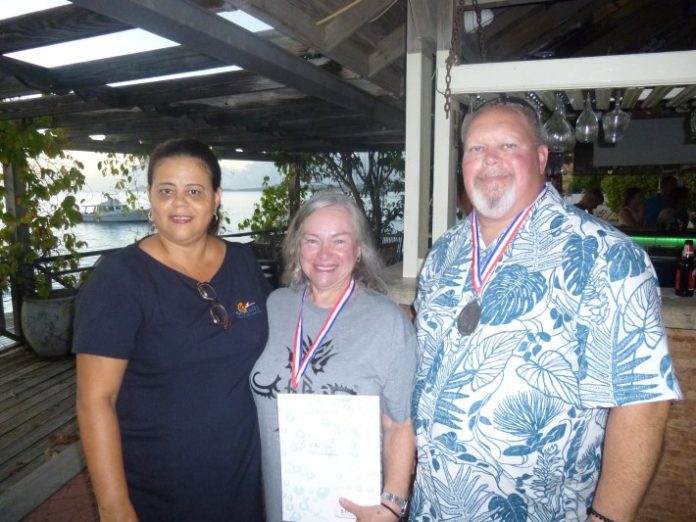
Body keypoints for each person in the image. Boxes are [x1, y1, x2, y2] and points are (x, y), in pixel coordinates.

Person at [411, 99, 682, 521]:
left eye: (507, 145)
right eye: (476, 149)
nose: (489, 159)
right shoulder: (443, 253)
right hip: (432, 507)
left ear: (541, 158)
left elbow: (642, 403)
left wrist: (607, 518)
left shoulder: (605, 255)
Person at [74, 138, 270, 521]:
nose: (180, 203)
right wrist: (115, 509)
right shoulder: (119, 278)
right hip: (161, 489)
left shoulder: (244, 262)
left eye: (194, 191)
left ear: (216, 198)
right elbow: (95, 400)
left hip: (244, 480)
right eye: (166, 191)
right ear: (150, 196)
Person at [250, 192, 417, 522]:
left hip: (353, 510)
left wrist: (392, 506)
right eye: (312, 240)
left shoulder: (388, 321)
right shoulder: (274, 306)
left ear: (359, 249)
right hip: (278, 504)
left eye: (339, 240)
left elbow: (400, 424)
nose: (324, 253)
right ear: (297, 248)